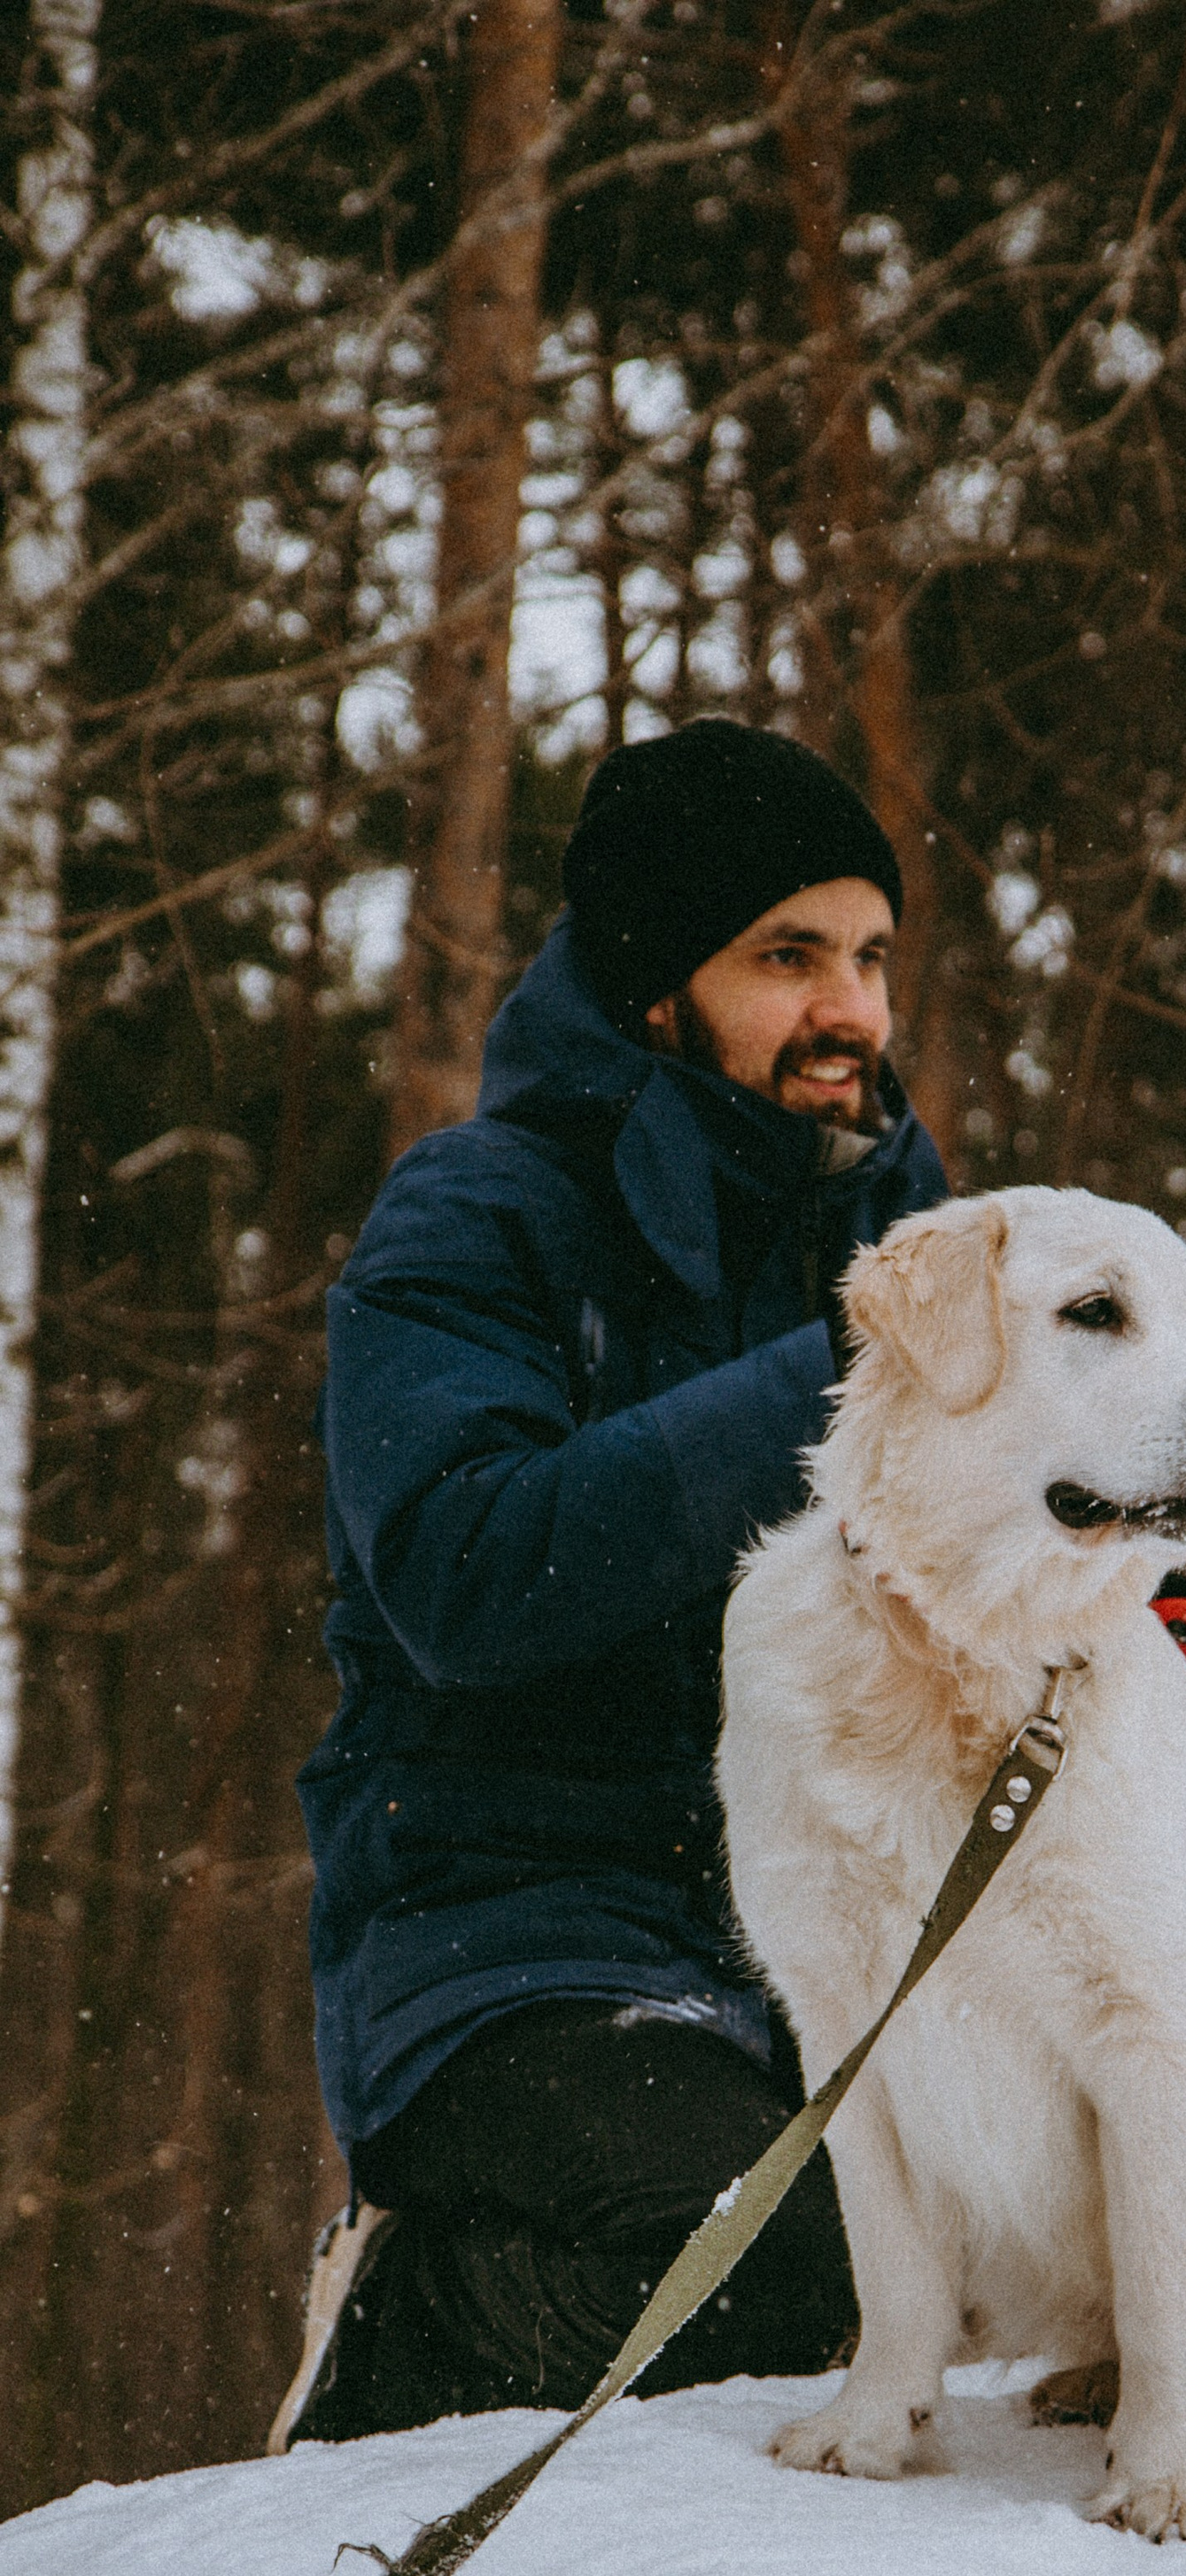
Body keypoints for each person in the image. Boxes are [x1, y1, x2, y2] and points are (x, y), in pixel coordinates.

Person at [275, 720, 950, 2447]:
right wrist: (842, 1382)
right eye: (785, 958)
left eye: (868, 958)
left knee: (1013, 2260)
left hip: (812, 1925)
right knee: (788, 2272)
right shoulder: (476, 1216)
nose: (850, 1013)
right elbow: (466, 1575)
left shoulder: (899, 1239)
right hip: (505, 1937)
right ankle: (424, 2320)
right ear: (657, 987)